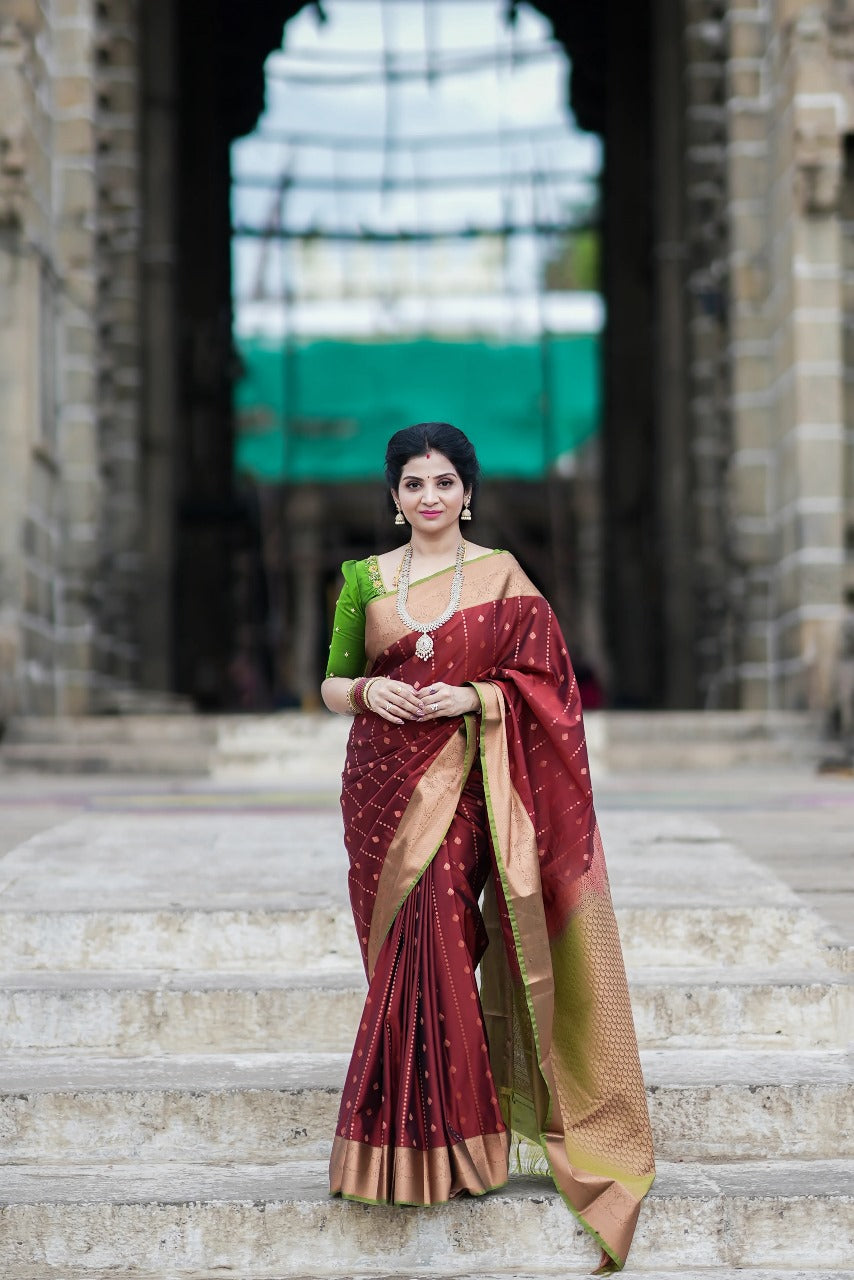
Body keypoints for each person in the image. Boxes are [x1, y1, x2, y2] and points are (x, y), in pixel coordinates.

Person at [321, 423, 654, 1274]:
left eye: (443, 483)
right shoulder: (363, 580)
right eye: (411, 485)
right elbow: (328, 680)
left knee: (440, 930)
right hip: (378, 786)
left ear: (468, 492)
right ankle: (405, 1148)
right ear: (393, 500)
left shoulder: (505, 577)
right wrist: (368, 689)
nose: (428, 497)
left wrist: (469, 696)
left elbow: (547, 685)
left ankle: (463, 1147)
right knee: (402, 951)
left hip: (466, 781)